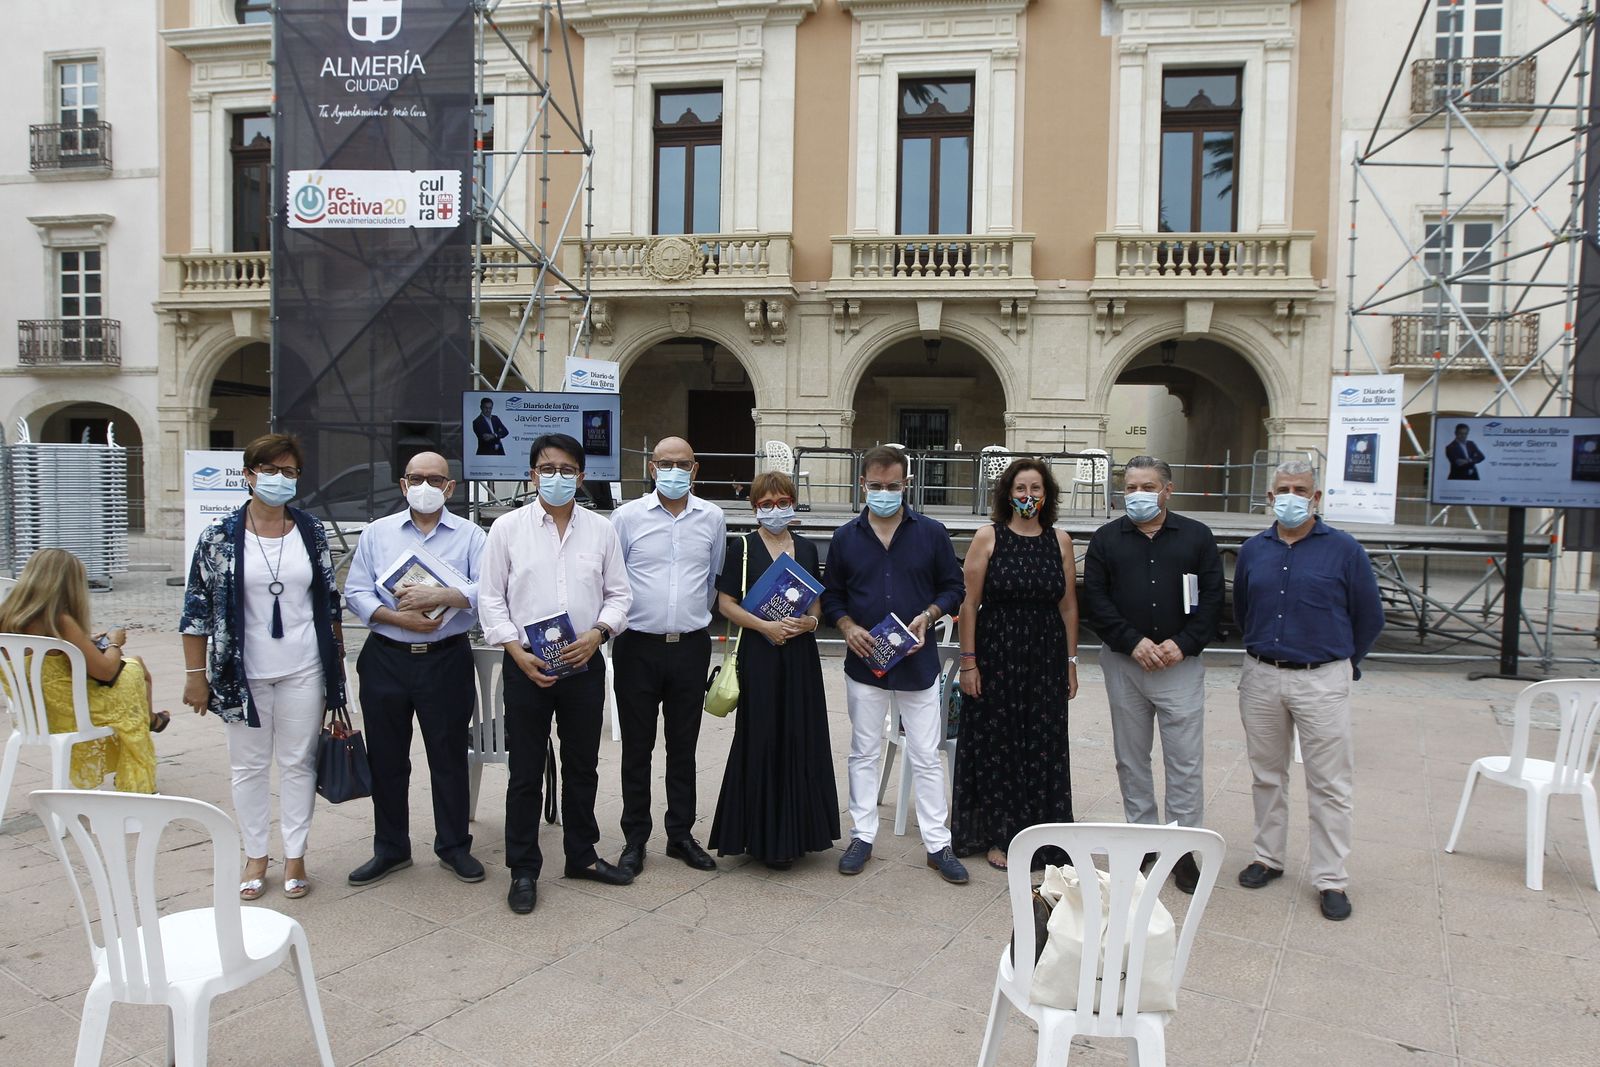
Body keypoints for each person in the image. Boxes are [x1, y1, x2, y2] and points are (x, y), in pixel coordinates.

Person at [180, 433, 346, 901]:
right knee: (248, 767)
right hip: (242, 672)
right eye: (270, 471)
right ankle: (256, 854)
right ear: (249, 474)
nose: (279, 479)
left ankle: (296, 854)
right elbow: (195, 610)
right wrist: (195, 678)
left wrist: (337, 672)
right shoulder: (218, 536)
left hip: (304, 667)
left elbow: (328, 602)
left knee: (298, 763)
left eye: (289, 472)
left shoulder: (310, 531)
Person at [478, 432, 633, 915]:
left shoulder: (601, 531)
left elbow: (620, 595)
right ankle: (523, 868)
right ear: (532, 474)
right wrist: (514, 651)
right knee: (524, 771)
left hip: (584, 663)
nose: (557, 477)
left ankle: (582, 855)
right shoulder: (506, 528)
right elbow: (490, 597)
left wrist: (599, 634)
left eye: (567, 470)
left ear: (582, 476)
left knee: (582, 766)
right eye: (548, 469)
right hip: (526, 664)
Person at [1234, 459, 1384, 922]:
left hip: (1322, 677)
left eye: (1301, 489)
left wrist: (1342, 664)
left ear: (1316, 498)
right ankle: (1268, 857)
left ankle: (1330, 877)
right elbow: (1242, 608)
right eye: (1283, 489)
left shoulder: (1344, 550)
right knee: (1266, 773)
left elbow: (1369, 616)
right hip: (1262, 674)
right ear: (1270, 496)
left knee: (1330, 783)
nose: (1291, 496)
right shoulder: (1253, 550)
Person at [821, 446, 968, 884]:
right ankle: (862, 835)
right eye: (876, 486)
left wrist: (930, 614)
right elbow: (832, 595)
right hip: (865, 661)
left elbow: (953, 587)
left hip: (916, 661)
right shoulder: (847, 536)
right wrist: (846, 626)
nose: (884, 493)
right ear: (862, 485)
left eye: (893, 486)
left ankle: (938, 844)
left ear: (906, 485)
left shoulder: (932, 532)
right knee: (863, 750)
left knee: (926, 753)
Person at [1080, 455, 1224, 894]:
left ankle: (1181, 852)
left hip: (1180, 664)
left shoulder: (1197, 537)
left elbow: (1215, 597)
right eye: (1130, 487)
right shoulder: (1107, 539)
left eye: (1147, 486)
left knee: (1184, 761)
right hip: (1126, 663)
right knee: (1131, 758)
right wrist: (1132, 641)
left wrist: (1182, 643)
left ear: (1167, 490)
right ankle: (1141, 841)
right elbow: (1096, 600)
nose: (1137, 495)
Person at [342, 452, 487, 887]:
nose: (425, 485)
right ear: (403, 485)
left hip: (445, 658)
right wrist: (398, 618)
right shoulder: (377, 532)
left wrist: (444, 595)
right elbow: (356, 591)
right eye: (416, 478)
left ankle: (454, 846)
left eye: (435, 479)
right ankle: (390, 848)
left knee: (448, 757)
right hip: (386, 656)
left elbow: (488, 588)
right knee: (387, 758)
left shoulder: (471, 535)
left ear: (450, 487)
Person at [951, 459, 1078, 872]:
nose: (1028, 496)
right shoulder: (989, 537)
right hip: (996, 652)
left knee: (1043, 743)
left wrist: (1071, 662)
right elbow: (969, 603)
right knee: (999, 744)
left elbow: (1068, 605)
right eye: (1021, 488)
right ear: (1008, 494)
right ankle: (1000, 835)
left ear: (1047, 495)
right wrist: (968, 663)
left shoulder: (1060, 540)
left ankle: (1045, 837)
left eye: (1036, 489)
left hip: (1045, 657)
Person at [709, 470, 840, 868]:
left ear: (793, 502)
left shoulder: (807, 547)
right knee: (761, 735)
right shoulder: (742, 547)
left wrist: (811, 623)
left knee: (801, 734)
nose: (775, 509)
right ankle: (761, 837)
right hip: (760, 652)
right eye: (766, 504)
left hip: (799, 655)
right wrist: (764, 625)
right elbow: (726, 604)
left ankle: (800, 834)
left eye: (782, 501)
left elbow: (816, 604)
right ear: (755, 507)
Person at [609, 437, 726, 875]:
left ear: (694, 469)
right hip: (637, 646)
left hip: (690, 647)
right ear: (652, 467)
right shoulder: (626, 517)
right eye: (665, 463)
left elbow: (712, 576)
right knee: (637, 748)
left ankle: (680, 834)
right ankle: (634, 838)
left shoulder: (712, 518)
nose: (673, 471)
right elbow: (613, 577)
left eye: (682, 464)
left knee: (684, 747)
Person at [0, 548, 164, 793]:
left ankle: (151, 719)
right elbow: (106, 672)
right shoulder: (59, 620)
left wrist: (81, 643)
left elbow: (44, 657)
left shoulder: (6, 615)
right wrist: (115, 642)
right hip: (70, 713)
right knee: (135, 667)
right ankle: (148, 726)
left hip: (33, 712)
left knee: (134, 669)